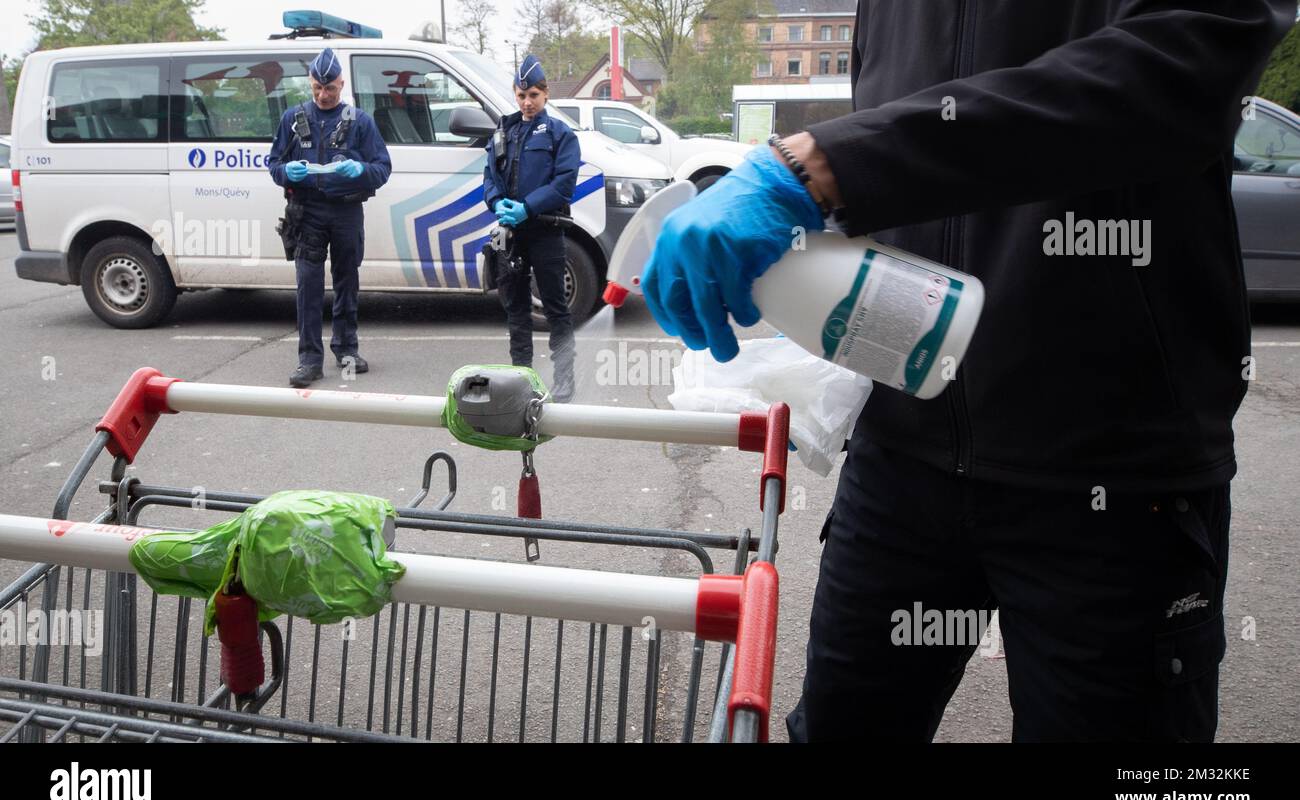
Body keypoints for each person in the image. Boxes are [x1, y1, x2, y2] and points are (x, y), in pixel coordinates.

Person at [640, 1, 1295, 741]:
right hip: (902, 455)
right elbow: (904, 142)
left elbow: (1175, 71)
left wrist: (822, 164)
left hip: (1110, 473)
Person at [268, 47, 392, 389]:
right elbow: (273, 164)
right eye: (317, 89)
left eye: (330, 89)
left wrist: (362, 170)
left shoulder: (360, 122)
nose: (323, 95)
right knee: (307, 286)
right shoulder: (293, 119)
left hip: (346, 212)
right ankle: (309, 359)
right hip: (306, 213)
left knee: (346, 282)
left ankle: (347, 350)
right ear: (310, 84)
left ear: (341, 83)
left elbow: (383, 169)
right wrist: (285, 173)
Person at [482, 54, 581, 402]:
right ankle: (520, 376)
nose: (527, 103)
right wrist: (498, 205)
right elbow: (489, 179)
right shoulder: (503, 129)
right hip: (511, 234)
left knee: (555, 306)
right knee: (516, 307)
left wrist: (527, 207)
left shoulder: (560, 134)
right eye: (522, 95)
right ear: (515, 93)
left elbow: (564, 183)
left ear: (546, 94)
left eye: (534, 96)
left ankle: (565, 379)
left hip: (545, 231)